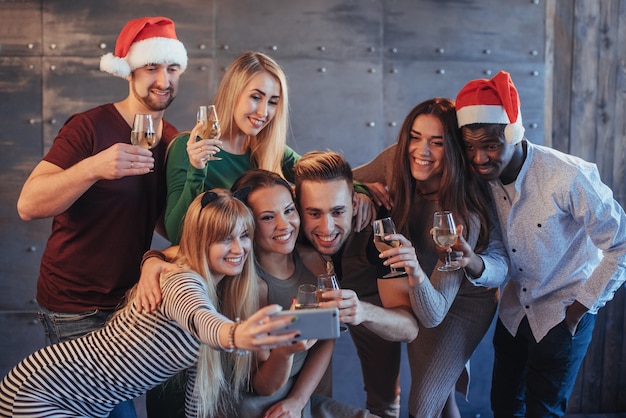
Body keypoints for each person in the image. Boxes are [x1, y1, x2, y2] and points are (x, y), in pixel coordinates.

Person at [15, 16, 187, 418]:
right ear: (130, 71)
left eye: (172, 68)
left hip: (132, 305)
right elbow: (28, 204)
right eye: (152, 67)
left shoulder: (173, 139)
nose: (164, 79)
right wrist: (93, 168)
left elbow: (161, 221)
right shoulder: (88, 127)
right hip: (74, 307)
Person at [0, 190, 301, 418]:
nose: (238, 248)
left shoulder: (213, 297)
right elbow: (201, 321)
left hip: (84, 402)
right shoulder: (181, 280)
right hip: (42, 389)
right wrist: (237, 335)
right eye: (224, 239)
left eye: (244, 236)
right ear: (200, 241)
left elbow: (197, 394)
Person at [455, 70, 626, 417]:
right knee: (503, 407)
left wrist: (578, 312)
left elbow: (621, 246)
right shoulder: (482, 183)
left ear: (515, 134)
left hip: (563, 314)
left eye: (490, 145)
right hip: (515, 312)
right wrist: (474, 261)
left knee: (543, 411)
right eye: (470, 147)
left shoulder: (569, 176)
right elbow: (503, 256)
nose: (479, 158)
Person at [353, 98, 508, 418]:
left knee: (423, 405)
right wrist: (360, 189)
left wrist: (412, 269)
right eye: (415, 136)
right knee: (441, 396)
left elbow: (434, 314)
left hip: (460, 301)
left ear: (452, 148)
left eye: (436, 142)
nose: (420, 150)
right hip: (421, 285)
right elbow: (337, 181)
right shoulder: (396, 159)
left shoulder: (462, 211)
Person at [163, 50, 373, 246]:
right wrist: (196, 170)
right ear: (233, 94)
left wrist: (361, 192)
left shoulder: (269, 148)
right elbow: (177, 234)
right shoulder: (189, 148)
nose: (264, 112)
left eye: (273, 102)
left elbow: (324, 178)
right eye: (256, 97)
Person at [229, 169, 374, 418]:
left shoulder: (314, 262)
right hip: (259, 406)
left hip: (301, 395)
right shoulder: (251, 288)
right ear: (247, 223)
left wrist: (298, 400)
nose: (284, 225)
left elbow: (327, 336)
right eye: (267, 217)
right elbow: (263, 386)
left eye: (288, 210)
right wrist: (286, 350)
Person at [293, 150, 419, 418]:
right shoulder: (284, 223)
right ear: (295, 205)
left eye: (338, 211)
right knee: (313, 394)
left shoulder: (381, 228)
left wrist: (363, 312)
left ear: (354, 202)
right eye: (313, 213)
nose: (327, 228)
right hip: (307, 304)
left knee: (383, 396)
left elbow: (408, 327)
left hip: (371, 299)